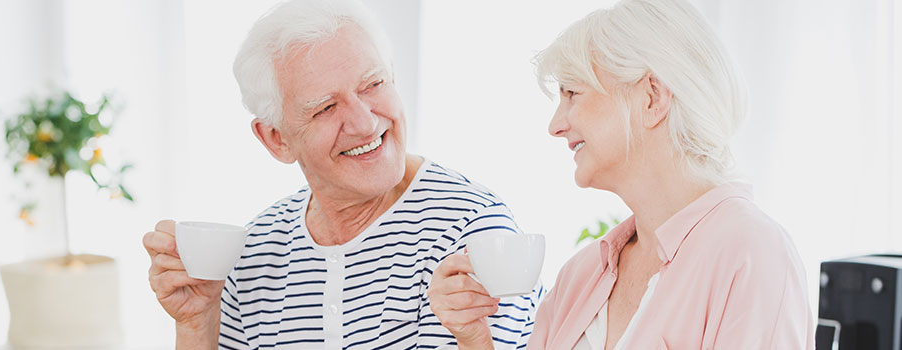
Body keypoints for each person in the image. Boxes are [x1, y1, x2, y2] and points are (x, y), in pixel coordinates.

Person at [142, 0, 543, 348]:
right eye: (325, 108)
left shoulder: (471, 232)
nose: (365, 123)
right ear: (276, 138)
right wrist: (197, 325)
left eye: (373, 84)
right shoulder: (255, 253)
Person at [428, 0, 815, 349]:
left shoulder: (752, 253)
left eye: (572, 94)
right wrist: (474, 338)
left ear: (651, 97)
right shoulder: (580, 277)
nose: (555, 125)